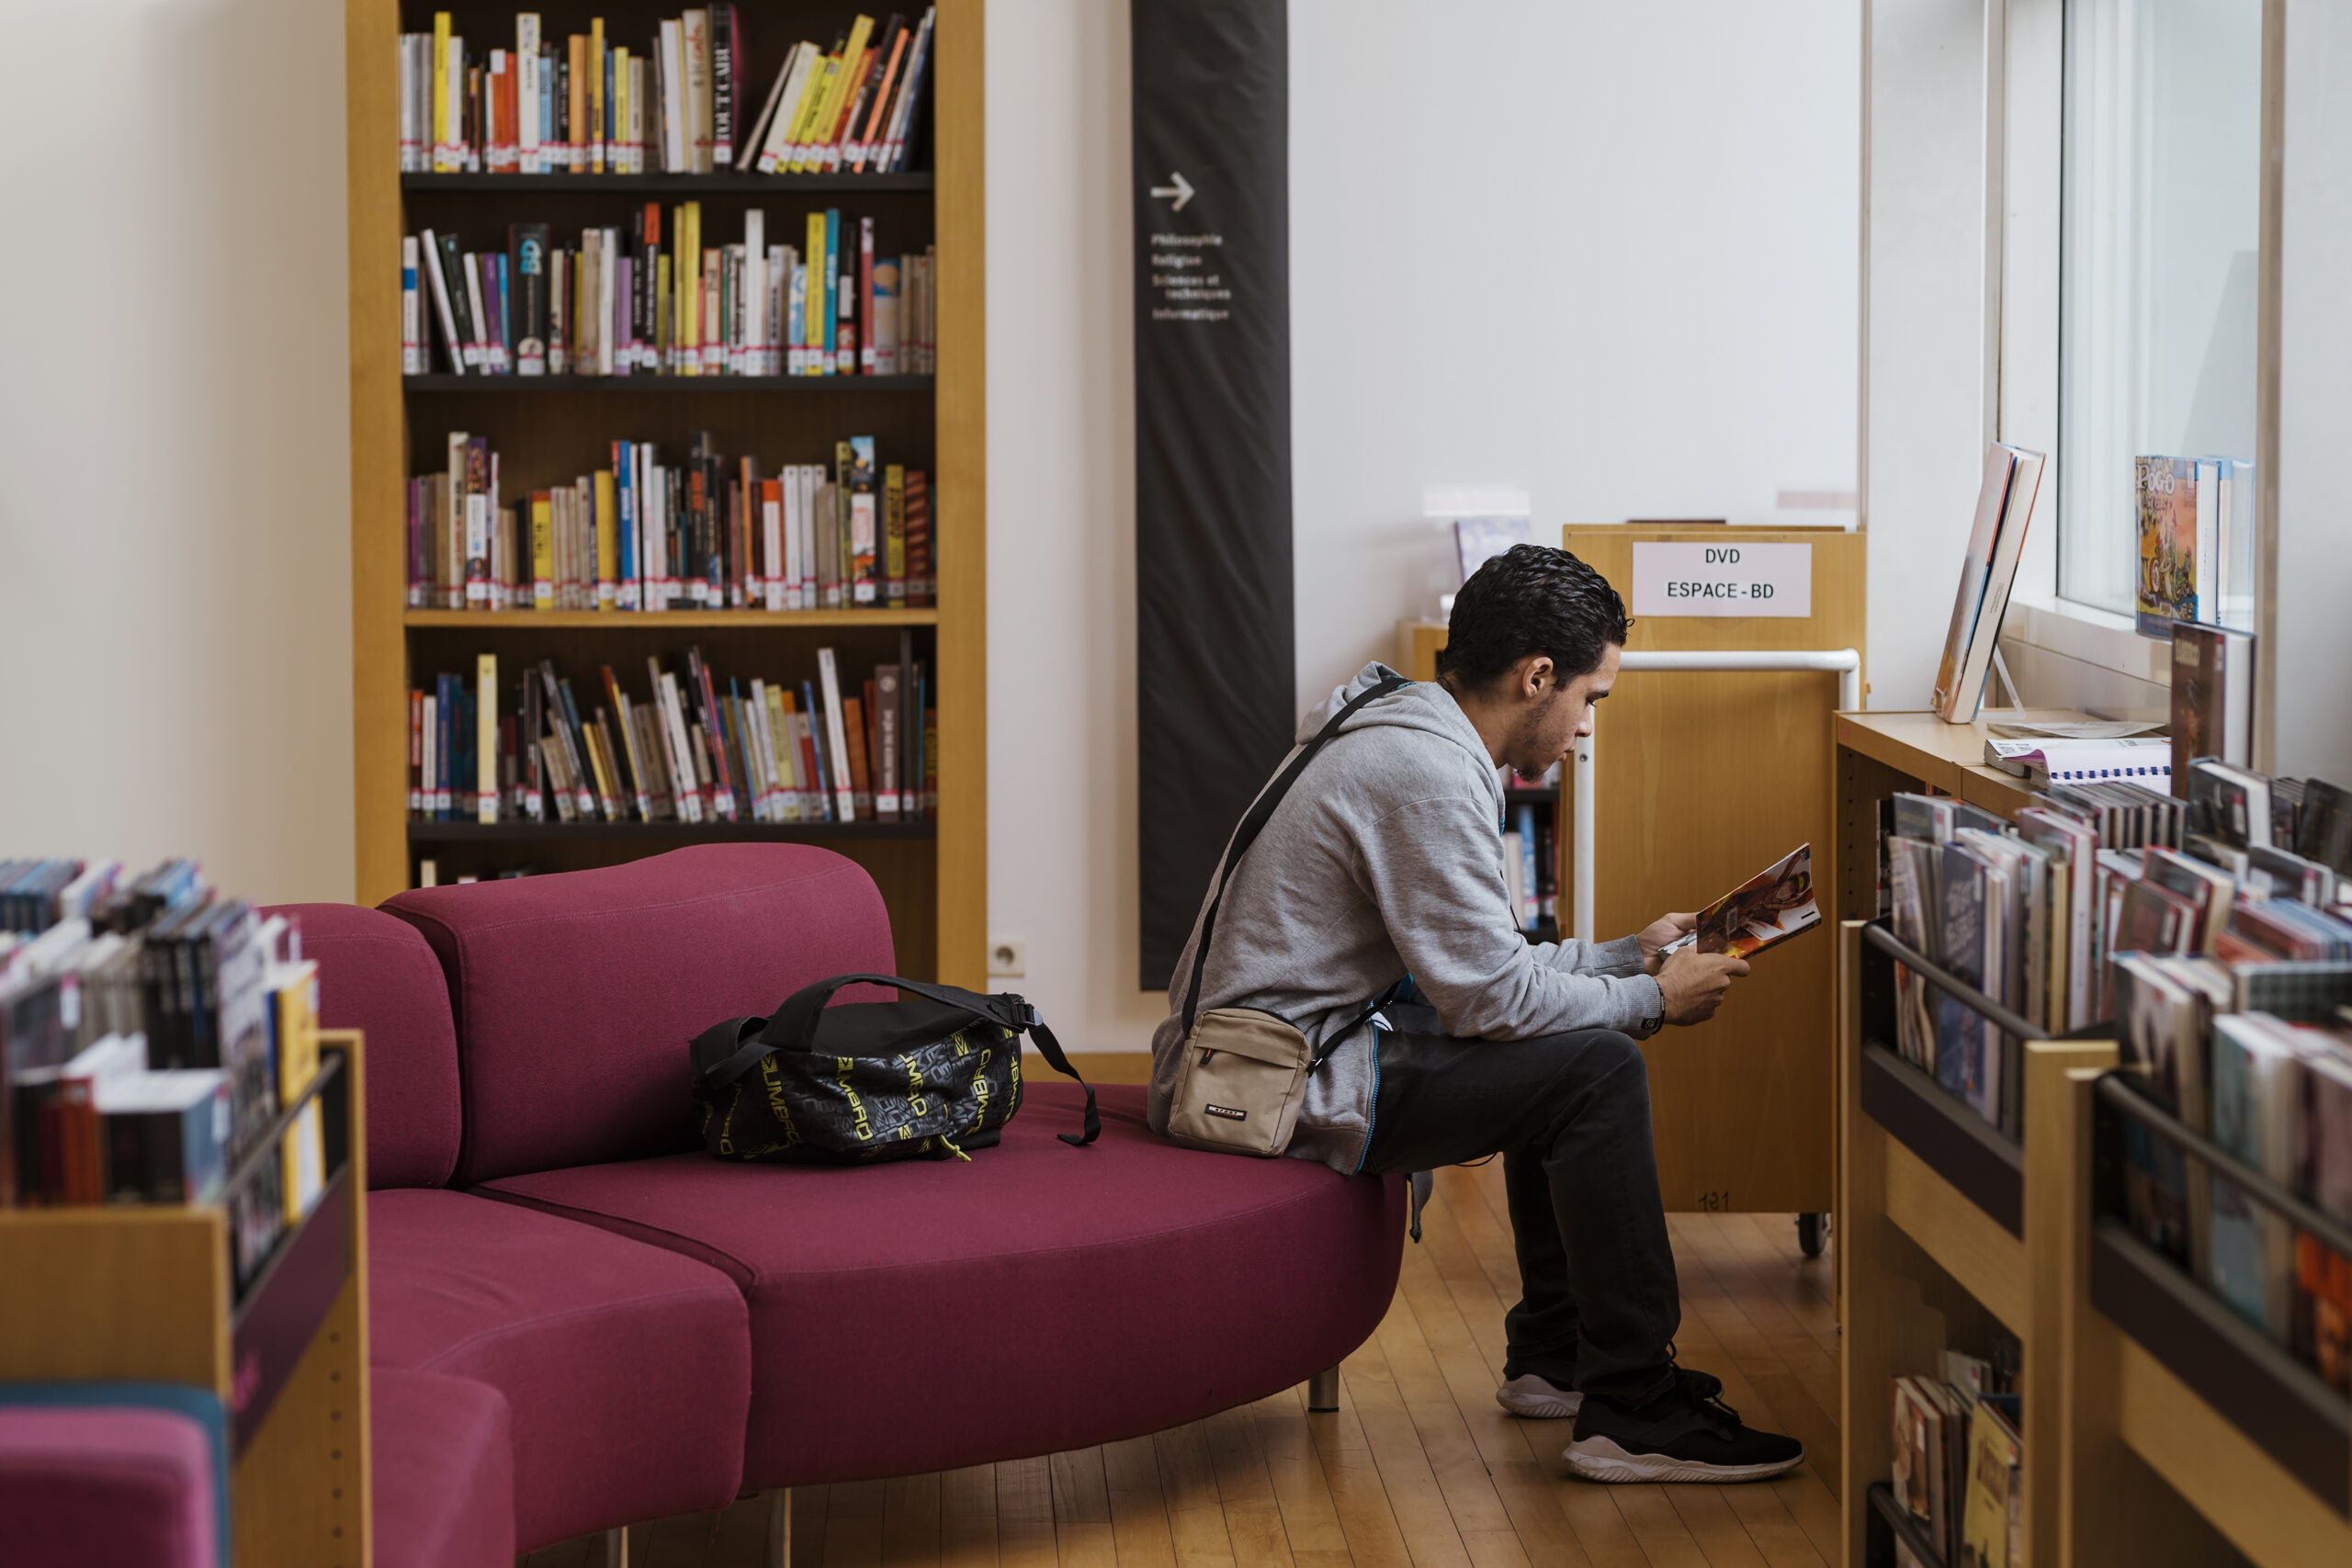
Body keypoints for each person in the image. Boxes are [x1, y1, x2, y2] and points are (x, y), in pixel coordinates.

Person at [1148, 543, 1804, 1483]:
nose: (1584, 727)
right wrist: (1653, 1002)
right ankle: (1633, 1406)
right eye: (1589, 698)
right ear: (1534, 676)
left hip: (1268, 1051)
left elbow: (1478, 968)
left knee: (1574, 1044)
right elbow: (1491, 999)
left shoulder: (1398, 725)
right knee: (1598, 1065)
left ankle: (1559, 1356)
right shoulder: (1428, 774)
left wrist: (1628, 955)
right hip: (1267, 1086)